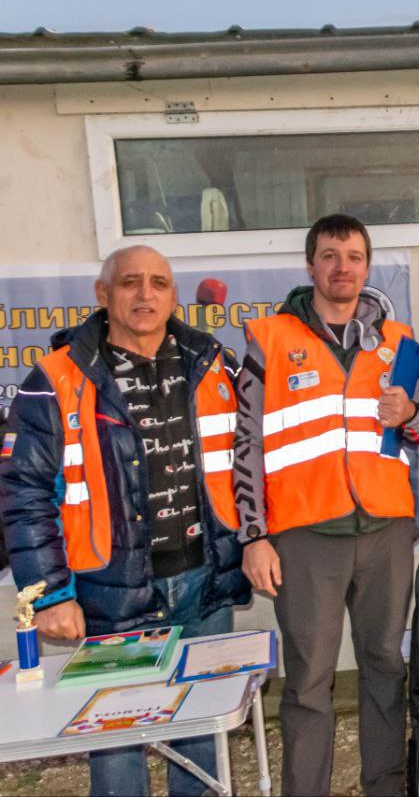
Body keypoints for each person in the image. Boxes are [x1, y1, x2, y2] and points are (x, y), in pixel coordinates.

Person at [0, 245, 249, 796]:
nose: (145, 294)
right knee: (116, 750)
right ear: (103, 293)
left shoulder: (212, 363)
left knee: (201, 738)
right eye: (130, 281)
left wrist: (255, 541)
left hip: (204, 585)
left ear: (173, 296)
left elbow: (251, 461)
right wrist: (49, 595)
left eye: (158, 283)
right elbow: (23, 493)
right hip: (111, 595)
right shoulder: (56, 378)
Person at [234, 214, 419, 796]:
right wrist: (254, 536)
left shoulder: (397, 341)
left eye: (353, 256)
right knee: (308, 683)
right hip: (305, 537)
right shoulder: (270, 339)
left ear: (367, 267)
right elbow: (245, 442)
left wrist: (410, 414)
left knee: (385, 669)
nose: (342, 267)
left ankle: (386, 787)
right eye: (329, 255)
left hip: (386, 532)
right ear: (310, 266)